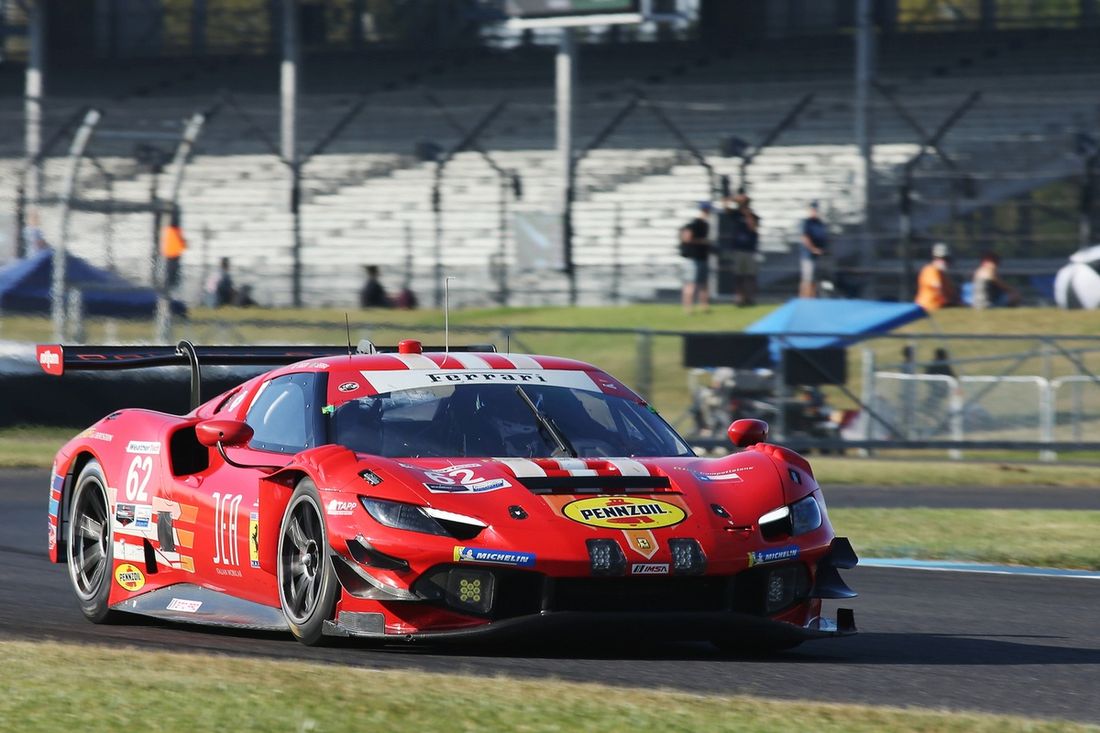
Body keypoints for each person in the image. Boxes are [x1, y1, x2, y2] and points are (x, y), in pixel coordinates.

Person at [727, 190, 760, 306]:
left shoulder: (753, 216)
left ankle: (749, 297)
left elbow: (753, 228)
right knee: (738, 276)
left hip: (750, 250)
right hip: (738, 250)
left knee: (750, 276)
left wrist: (747, 214)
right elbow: (725, 205)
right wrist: (734, 198)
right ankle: (739, 298)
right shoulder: (736, 214)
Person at [679, 201, 713, 314]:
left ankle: (704, 307)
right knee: (691, 284)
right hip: (693, 259)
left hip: (702, 257)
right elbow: (687, 238)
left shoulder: (705, 225)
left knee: (703, 284)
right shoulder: (694, 224)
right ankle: (688, 308)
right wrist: (703, 242)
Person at [915, 242, 960, 312]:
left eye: (947, 259)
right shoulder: (930, 270)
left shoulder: (943, 274)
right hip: (928, 307)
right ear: (935, 258)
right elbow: (938, 287)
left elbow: (950, 292)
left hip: (940, 306)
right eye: (943, 259)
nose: (946, 262)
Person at [799, 201, 829, 298]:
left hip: (819, 256)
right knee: (807, 279)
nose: (815, 211)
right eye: (813, 209)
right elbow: (805, 238)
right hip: (808, 255)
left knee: (815, 280)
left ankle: (812, 299)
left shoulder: (820, 223)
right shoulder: (807, 223)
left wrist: (822, 250)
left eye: (816, 209)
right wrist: (813, 249)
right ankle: (804, 299)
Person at [160, 208, 187, 291]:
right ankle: (172, 285)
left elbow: (182, 244)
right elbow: (182, 244)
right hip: (173, 255)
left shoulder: (170, 231)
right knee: (172, 272)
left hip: (171, 254)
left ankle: (171, 285)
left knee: (171, 272)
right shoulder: (174, 231)